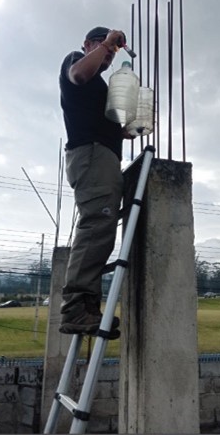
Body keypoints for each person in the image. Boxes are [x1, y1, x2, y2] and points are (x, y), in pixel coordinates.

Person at [58, 25, 134, 335]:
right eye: (104, 47)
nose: (108, 55)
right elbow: (77, 75)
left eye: (113, 51)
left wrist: (131, 128)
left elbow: (115, 128)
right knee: (97, 225)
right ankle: (76, 307)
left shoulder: (100, 87)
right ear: (89, 43)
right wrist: (107, 44)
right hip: (90, 156)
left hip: (102, 158)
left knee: (102, 229)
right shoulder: (76, 61)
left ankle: (87, 307)